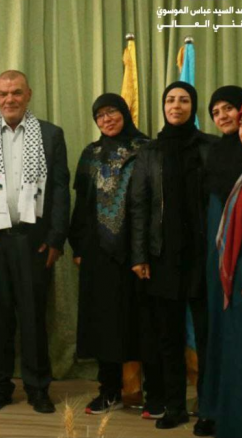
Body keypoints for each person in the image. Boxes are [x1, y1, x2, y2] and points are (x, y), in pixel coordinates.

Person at [0, 70, 70, 414]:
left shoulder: (50, 135)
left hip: (34, 241)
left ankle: (38, 388)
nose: (9, 99)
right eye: (3, 93)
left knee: (35, 318)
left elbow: (60, 190)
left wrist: (55, 239)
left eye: (16, 93)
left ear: (28, 94)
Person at [130, 81, 217, 429]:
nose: (176, 106)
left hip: (204, 257)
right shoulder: (149, 152)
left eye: (183, 100)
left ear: (193, 106)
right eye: (170, 100)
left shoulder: (210, 147)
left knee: (207, 338)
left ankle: (208, 409)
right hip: (162, 256)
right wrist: (139, 255)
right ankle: (175, 407)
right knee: (168, 337)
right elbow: (139, 206)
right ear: (163, 106)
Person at [69, 94, 148, 414]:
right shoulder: (91, 154)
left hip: (136, 251)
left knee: (139, 320)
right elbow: (82, 205)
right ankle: (109, 390)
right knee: (104, 323)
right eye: (100, 115)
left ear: (125, 113)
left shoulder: (146, 149)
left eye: (112, 112)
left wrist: (143, 250)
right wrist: (78, 246)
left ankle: (150, 392)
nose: (107, 119)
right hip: (98, 252)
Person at [200, 86, 242, 438]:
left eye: (229, 108)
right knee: (221, 326)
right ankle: (218, 411)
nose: (222, 116)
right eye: (216, 112)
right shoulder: (214, 152)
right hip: (220, 254)